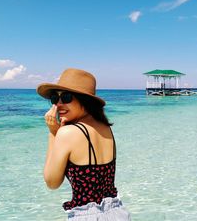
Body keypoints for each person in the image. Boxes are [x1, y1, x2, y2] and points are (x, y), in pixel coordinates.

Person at [37, 68, 131, 220]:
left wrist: (53, 133)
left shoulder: (67, 133)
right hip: (117, 212)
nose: (59, 104)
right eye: (55, 98)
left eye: (66, 97)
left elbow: (52, 182)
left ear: (85, 100)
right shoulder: (105, 128)